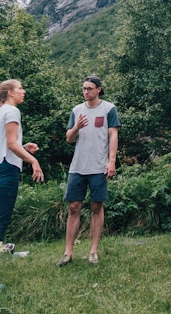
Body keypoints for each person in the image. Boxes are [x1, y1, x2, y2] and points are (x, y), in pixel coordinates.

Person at [0, 79, 44, 290]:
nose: (23, 91)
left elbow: (6, 144)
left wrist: (24, 147)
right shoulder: (12, 111)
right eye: (20, 88)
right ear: (10, 93)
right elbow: (11, 145)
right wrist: (33, 161)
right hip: (5, 172)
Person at [57, 75, 120, 267]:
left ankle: (93, 251)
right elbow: (69, 138)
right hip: (78, 167)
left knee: (96, 206)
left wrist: (111, 162)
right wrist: (77, 126)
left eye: (90, 88)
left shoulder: (109, 108)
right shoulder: (77, 110)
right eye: (84, 88)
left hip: (98, 166)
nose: (86, 92)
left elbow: (113, 134)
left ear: (99, 89)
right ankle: (68, 252)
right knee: (74, 207)